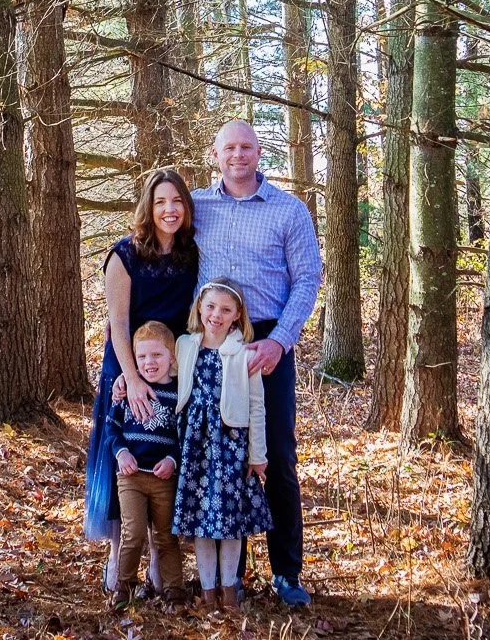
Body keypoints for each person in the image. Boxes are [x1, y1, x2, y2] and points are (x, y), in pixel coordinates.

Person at [192, 119, 321, 607]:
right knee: (225, 460)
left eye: (246, 147)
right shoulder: (198, 207)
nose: (238, 155)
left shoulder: (289, 210)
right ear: (216, 154)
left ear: (260, 151)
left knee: (277, 460)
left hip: (267, 343)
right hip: (213, 342)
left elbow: (308, 278)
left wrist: (280, 343)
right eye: (229, 147)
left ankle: (287, 573)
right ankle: (232, 575)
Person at [83, 167, 197, 591]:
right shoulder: (124, 255)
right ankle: (118, 559)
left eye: (178, 202)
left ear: (186, 208)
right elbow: (118, 321)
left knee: (163, 454)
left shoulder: (190, 257)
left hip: (169, 369)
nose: (170, 210)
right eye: (161, 202)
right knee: (128, 456)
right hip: (127, 367)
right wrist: (131, 380)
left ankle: (159, 562)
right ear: (148, 208)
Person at [169, 280, 271, 612]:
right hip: (195, 447)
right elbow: (161, 374)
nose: (216, 315)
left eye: (226, 310)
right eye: (211, 306)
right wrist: (127, 379)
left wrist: (257, 455)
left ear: (237, 315)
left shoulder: (244, 353)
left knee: (229, 524)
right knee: (201, 522)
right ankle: (208, 592)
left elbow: (256, 406)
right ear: (200, 306)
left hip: (230, 447)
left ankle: (230, 591)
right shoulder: (185, 345)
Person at [107, 321, 184, 608]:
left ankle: (174, 589)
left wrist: (173, 460)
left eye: (157, 355)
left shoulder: (178, 393)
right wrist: (121, 453)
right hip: (132, 476)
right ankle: (123, 586)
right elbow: (111, 428)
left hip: (164, 477)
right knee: (134, 532)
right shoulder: (126, 388)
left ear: (171, 357)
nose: (149, 363)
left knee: (166, 535)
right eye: (142, 357)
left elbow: (183, 436)